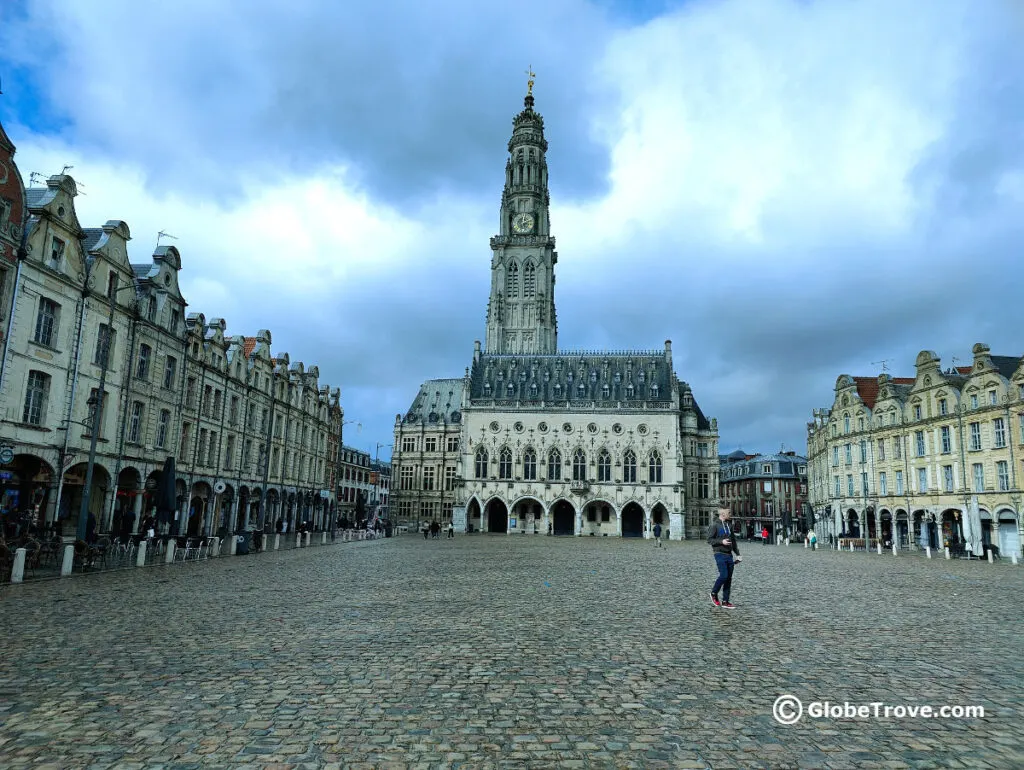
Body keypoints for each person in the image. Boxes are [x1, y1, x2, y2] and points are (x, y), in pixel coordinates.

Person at [707, 507, 740, 609]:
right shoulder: (714, 525)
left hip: (729, 554)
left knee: (728, 579)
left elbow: (733, 541)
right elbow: (709, 540)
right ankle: (714, 593)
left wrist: (738, 554)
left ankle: (725, 601)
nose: (730, 513)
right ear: (722, 514)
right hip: (719, 553)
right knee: (724, 575)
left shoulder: (729, 525)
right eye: (728, 512)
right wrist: (721, 542)